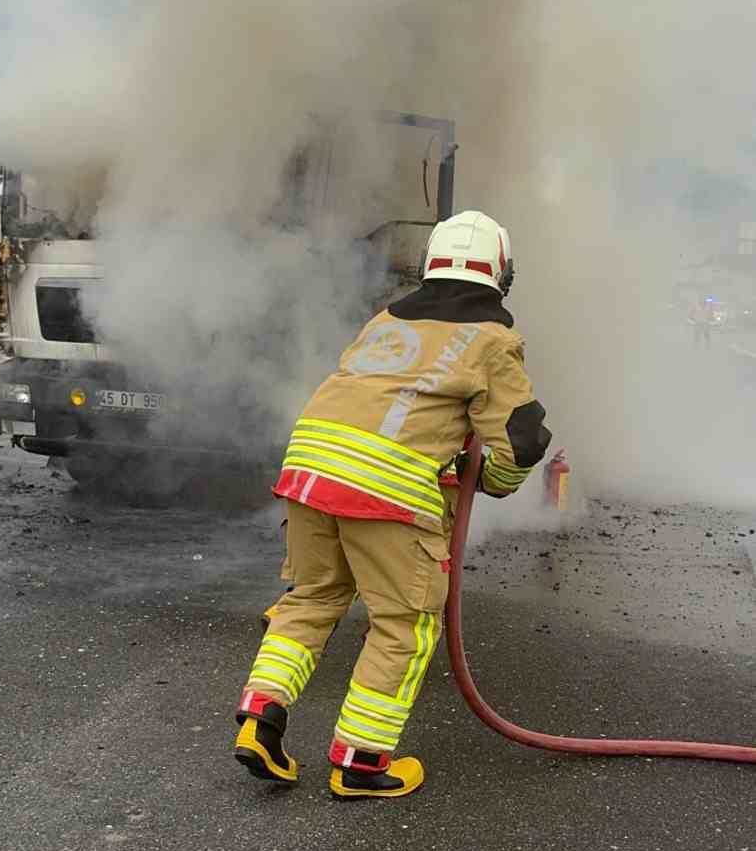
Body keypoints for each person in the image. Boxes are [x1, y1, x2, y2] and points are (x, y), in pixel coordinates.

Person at [233, 209, 551, 800]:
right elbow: (522, 438)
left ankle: (261, 718)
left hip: (309, 470)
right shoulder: (492, 340)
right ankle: (361, 763)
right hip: (383, 490)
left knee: (312, 598)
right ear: (501, 274)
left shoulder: (384, 320)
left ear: (431, 263)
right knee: (402, 626)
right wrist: (493, 481)